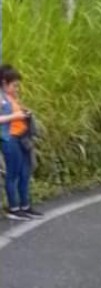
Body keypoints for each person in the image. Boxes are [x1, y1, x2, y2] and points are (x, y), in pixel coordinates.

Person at [0, 68, 43, 220]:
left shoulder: (11, 97)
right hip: (9, 139)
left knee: (25, 173)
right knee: (13, 174)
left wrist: (24, 113)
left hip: (22, 138)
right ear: (4, 83)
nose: (16, 89)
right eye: (14, 85)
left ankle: (25, 206)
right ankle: (14, 208)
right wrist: (15, 115)